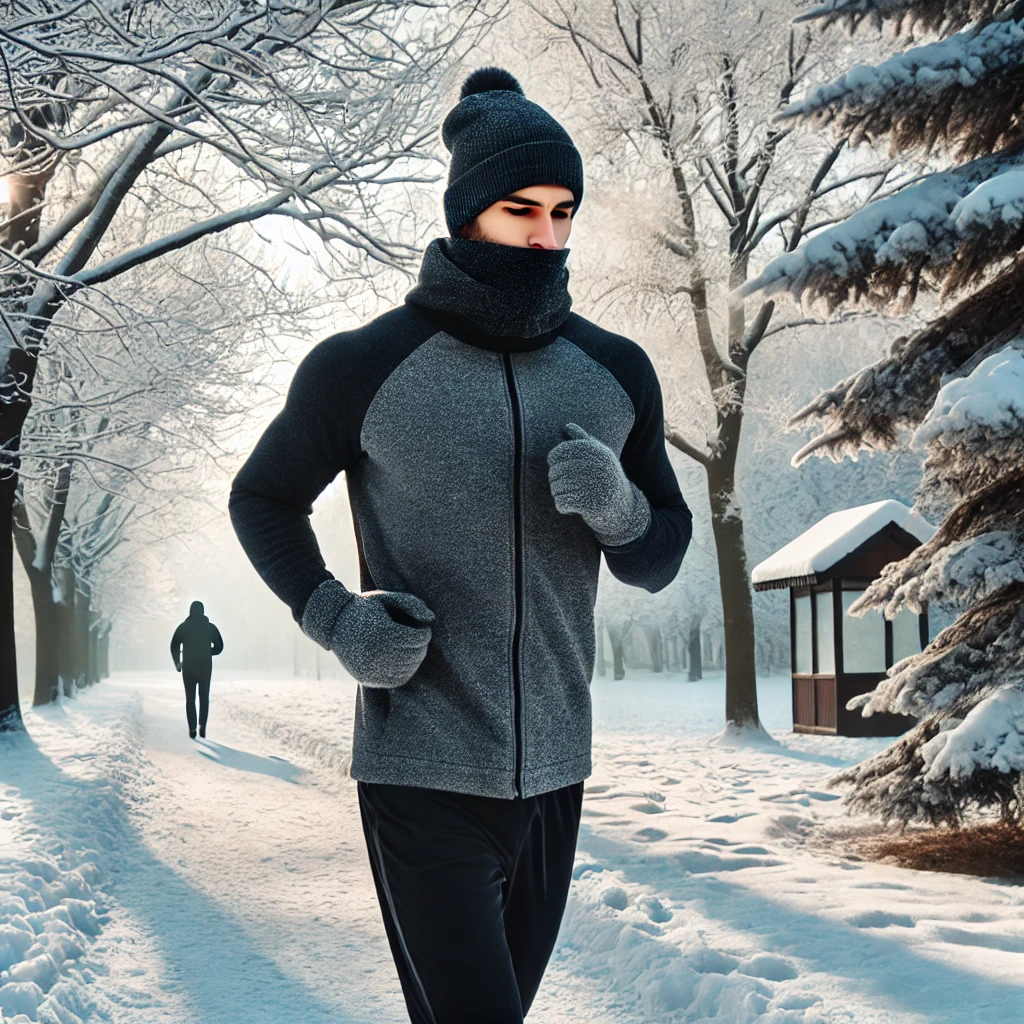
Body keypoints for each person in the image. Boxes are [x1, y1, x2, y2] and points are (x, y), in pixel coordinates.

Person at [228, 66, 691, 1023]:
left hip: (558, 768)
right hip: (420, 768)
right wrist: (335, 618)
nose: (548, 235)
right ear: (468, 211)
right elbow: (263, 496)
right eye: (523, 210)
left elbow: (662, 553)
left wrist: (621, 511)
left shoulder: (613, 373)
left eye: (565, 212)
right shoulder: (363, 365)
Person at [170, 600, 224, 739]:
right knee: (204, 696)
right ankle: (203, 725)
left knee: (190, 699)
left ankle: (192, 728)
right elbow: (219, 646)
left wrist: (178, 663)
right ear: (203, 611)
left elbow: (174, 646)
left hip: (188, 667)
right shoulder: (210, 627)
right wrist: (208, 652)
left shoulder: (183, 627)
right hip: (205, 667)